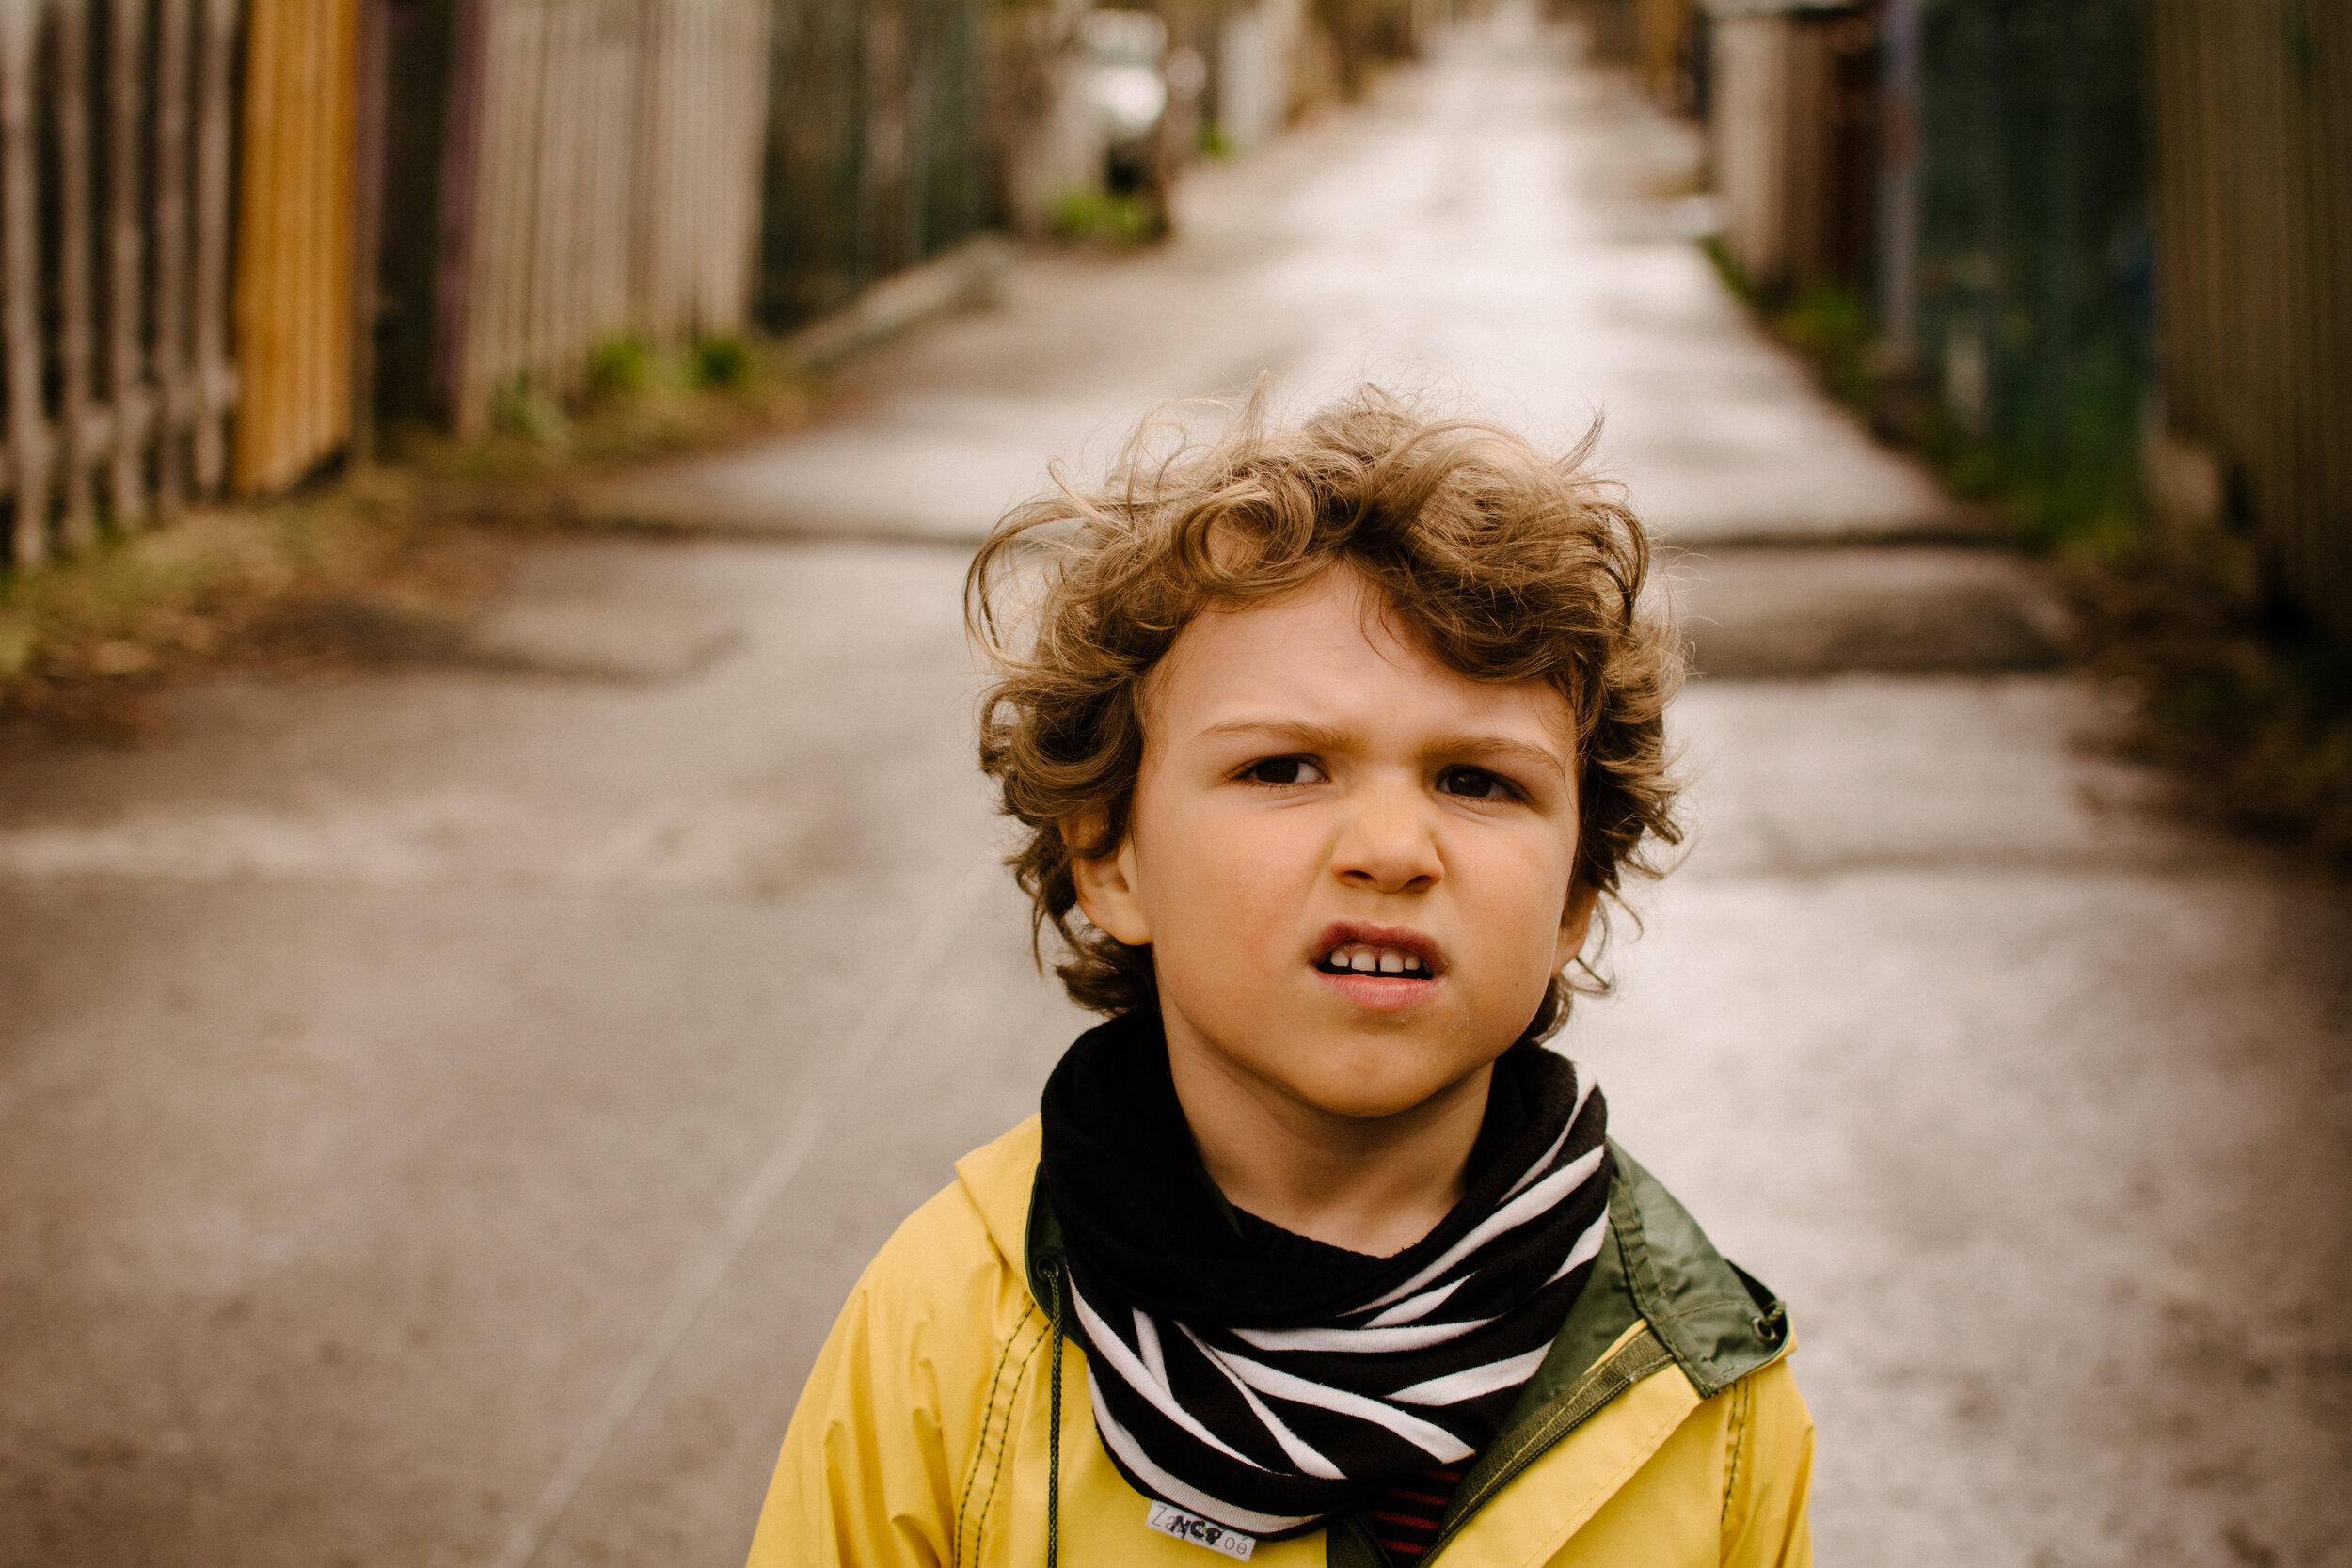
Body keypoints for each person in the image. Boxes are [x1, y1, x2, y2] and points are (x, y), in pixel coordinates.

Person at [747, 392, 1814, 1567]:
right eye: (1285, 766)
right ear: (1111, 858)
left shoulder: (1700, 1381)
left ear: (1573, 897)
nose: (1393, 847)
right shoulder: (942, 1327)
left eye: (1475, 780)